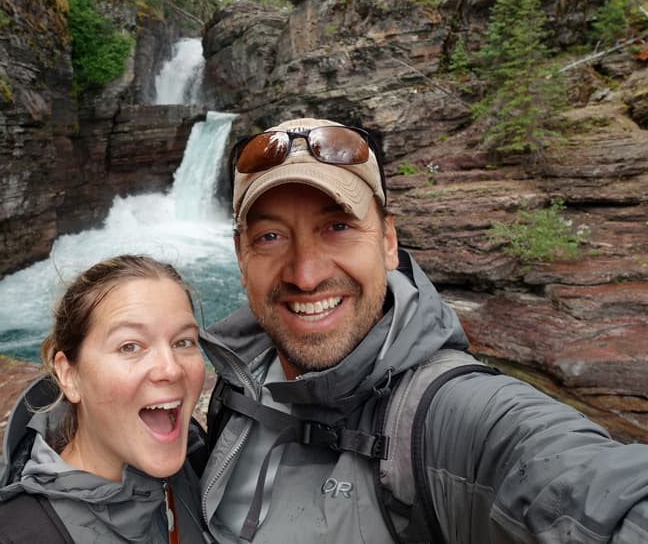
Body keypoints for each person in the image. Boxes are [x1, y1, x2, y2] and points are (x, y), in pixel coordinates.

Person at [198, 118, 648, 543]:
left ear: (388, 242)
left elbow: (592, 486)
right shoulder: (238, 382)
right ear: (241, 258)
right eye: (270, 237)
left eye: (337, 226)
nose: (306, 274)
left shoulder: (451, 416)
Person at [0, 255, 209, 543]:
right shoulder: (18, 537)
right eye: (130, 346)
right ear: (69, 376)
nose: (171, 369)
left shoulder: (200, 460)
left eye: (183, 342)